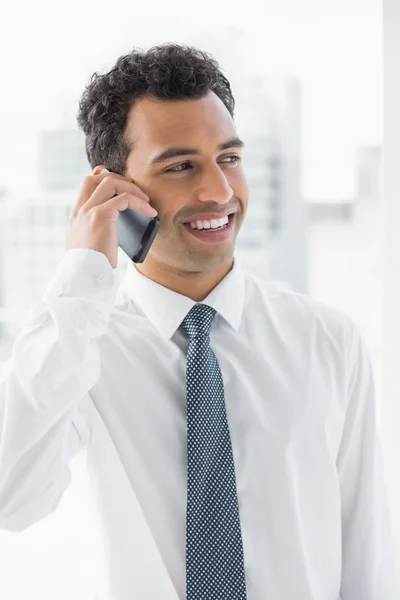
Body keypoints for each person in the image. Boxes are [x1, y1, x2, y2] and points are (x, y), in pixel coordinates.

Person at [0, 43, 396, 600]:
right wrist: (81, 275)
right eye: (181, 165)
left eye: (229, 158)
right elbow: (11, 497)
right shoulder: (78, 348)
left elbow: (368, 558)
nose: (220, 191)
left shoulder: (327, 340)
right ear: (114, 190)